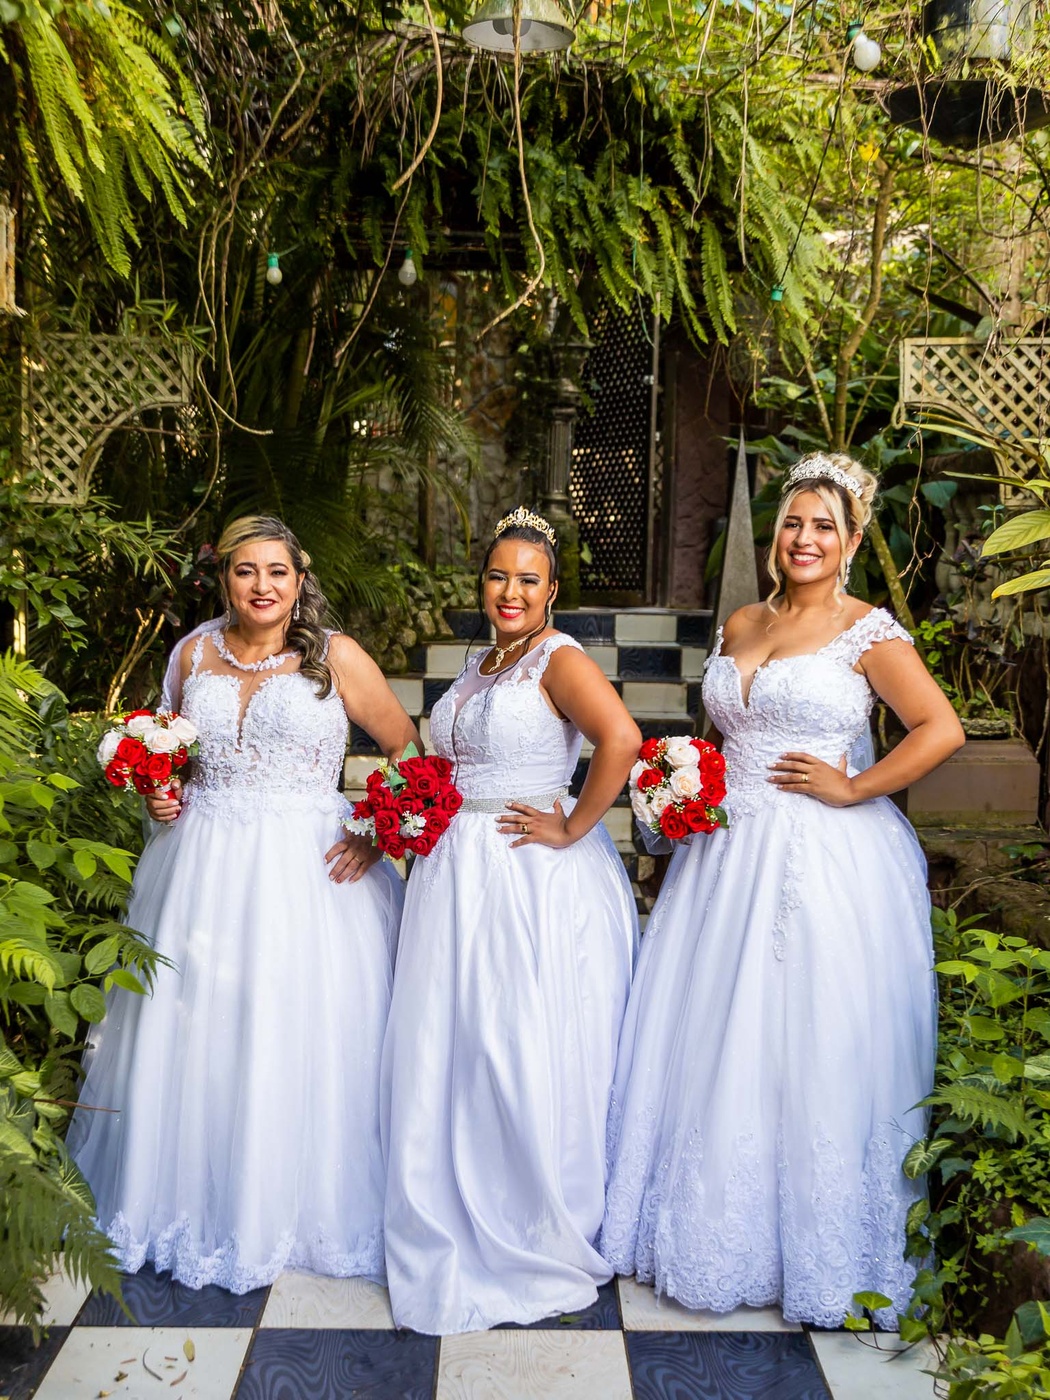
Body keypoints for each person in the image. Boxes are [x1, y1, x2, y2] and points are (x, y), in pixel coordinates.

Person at [601, 453, 965, 1328]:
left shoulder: (868, 632)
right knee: (714, 1028)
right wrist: (682, 786)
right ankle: (706, 1222)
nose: (805, 538)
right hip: (723, 858)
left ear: (852, 542)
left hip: (819, 855)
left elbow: (939, 728)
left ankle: (815, 1247)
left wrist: (855, 785)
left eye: (824, 526)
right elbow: (723, 733)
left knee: (804, 1033)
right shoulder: (743, 621)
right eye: (794, 522)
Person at [70, 515, 419, 1293]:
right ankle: (190, 1198)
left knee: (293, 1028)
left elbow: (407, 746)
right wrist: (160, 793)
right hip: (200, 865)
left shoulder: (336, 657)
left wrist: (375, 833)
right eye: (245, 571)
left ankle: (291, 1204)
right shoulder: (192, 654)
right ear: (224, 577)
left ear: (300, 578)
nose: (262, 586)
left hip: (308, 873)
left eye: (277, 571)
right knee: (194, 1028)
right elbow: (167, 754)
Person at [381, 506, 641, 1334]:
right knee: (456, 1039)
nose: (510, 591)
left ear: (552, 590)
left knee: (514, 1040)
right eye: (498, 576)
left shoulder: (558, 659)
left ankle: (527, 1212)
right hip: (455, 872)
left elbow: (621, 739)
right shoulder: (483, 662)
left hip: (526, 873)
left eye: (528, 579)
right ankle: (452, 1187)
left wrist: (573, 825)